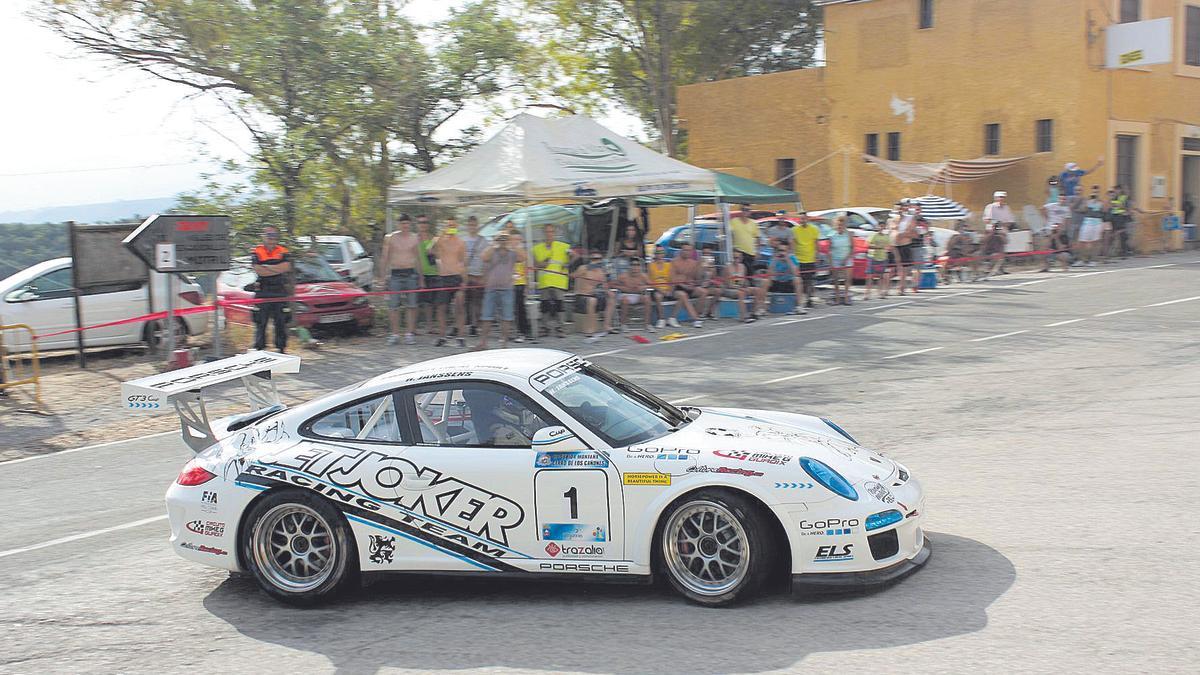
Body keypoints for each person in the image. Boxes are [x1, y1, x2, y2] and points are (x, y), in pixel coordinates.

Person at [378, 213, 422, 345]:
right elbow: (385, 258)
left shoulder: (415, 238)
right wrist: (382, 277)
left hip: (411, 273)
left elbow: (418, 258)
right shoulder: (390, 238)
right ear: (398, 224)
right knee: (393, 306)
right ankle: (395, 334)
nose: (405, 226)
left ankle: (409, 333)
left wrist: (421, 278)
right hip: (395, 274)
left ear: (410, 224)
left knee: (412, 305)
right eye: (403, 223)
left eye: (407, 223)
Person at [475, 232, 523, 350]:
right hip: (491, 289)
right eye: (501, 238)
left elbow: (523, 258)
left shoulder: (512, 254)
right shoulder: (492, 252)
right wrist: (494, 242)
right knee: (486, 316)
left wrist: (512, 243)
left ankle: (504, 345)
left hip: (507, 289)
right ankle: (483, 343)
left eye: (504, 238)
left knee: (506, 317)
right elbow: (484, 257)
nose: (503, 240)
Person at [250, 226, 291, 352]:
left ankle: (281, 348)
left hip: (279, 291)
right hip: (263, 290)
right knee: (260, 322)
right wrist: (275, 268)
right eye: (268, 235)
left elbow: (285, 268)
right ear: (263, 236)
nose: (271, 238)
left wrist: (267, 267)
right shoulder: (256, 251)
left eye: (274, 235)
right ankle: (260, 349)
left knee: (281, 322)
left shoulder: (283, 250)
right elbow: (259, 271)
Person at [430, 220, 467, 347]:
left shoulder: (461, 242)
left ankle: (461, 336)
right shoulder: (440, 240)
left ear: (457, 227)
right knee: (441, 308)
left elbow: (463, 262)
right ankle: (442, 336)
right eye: (449, 226)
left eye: (453, 226)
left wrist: (464, 280)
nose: (451, 228)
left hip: (457, 277)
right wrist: (441, 234)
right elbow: (429, 250)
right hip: (443, 277)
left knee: (459, 306)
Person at [533, 224, 571, 337]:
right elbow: (536, 264)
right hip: (545, 280)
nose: (549, 234)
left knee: (559, 304)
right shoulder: (537, 248)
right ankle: (545, 327)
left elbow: (575, 256)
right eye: (547, 232)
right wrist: (544, 262)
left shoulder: (563, 246)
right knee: (545, 305)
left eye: (551, 232)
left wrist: (568, 262)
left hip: (559, 280)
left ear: (555, 233)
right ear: (543, 233)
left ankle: (561, 328)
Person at [571, 250, 615, 340]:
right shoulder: (583, 268)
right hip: (582, 297)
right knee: (592, 300)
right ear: (590, 259)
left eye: (598, 259)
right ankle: (590, 329)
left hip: (596, 295)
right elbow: (573, 276)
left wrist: (608, 291)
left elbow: (605, 286)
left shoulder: (601, 271)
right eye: (594, 259)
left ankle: (607, 326)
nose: (596, 261)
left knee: (611, 297)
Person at [668, 242, 709, 327]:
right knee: (683, 295)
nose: (687, 252)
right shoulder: (674, 262)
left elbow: (697, 278)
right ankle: (695, 319)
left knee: (703, 292)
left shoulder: (693, 263)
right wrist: (683, 285)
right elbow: (672, 279)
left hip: (689, 286)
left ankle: (697, 314)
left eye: (689, 250)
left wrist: (700, 265)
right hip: (677, 288)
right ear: (681, 251)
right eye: (685, 250)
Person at [462, 216, 489, 336]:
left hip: (478, 274)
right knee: (464, 301)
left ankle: (474, 325)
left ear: (477, 226)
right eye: (470, 225)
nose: (472, 227)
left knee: (477, 301)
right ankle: (464, 325)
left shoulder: (483, 241)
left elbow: (487, 259)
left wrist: (484, 275)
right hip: (466, 274)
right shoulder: (463, 240)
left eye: (474, 225)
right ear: (467, 226)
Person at [614, 257, 656, 332]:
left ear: (640, 267)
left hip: (638, 295)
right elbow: (612, 285)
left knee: (647, 299)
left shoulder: (643, 276)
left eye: (637, 265)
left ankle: (647, 324)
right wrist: (624, 288)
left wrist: (643, 287)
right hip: (625, 295)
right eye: (633, 265)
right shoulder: (623, 276)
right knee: (625, 300)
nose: (635, 267)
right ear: (629, 266)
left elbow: (652, 285)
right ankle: (623, 324)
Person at [982, 191, 1016, 276]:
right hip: (992, 230)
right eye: (999, 197)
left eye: (1002, 197)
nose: (1001, 199)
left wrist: (1004, 224)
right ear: (995, 198)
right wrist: (995, 223)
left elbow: (1010, 220)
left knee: (1002, 250)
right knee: (991, 250)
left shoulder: (1006, 208)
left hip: (1002, 231)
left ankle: (1000, 268)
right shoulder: (990, 207)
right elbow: (987, 220)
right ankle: (989, 268)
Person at [506, 224, 530, 342]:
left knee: (519, 307)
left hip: (519, 283)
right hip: (507, 283)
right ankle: (510, 331)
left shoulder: (520, 250)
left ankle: (522, 332)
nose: (515, 241)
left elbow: (523, 259)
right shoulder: (505, 249)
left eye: (518, 239)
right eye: (513, 239)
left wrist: (528, 285)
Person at [791, 214, 820, 308]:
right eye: (800, 219)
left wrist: (816, 256)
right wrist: (794, 257)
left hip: (810, 259)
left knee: (810, 281)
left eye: (804, 219)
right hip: (799, 259)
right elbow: (793, 244)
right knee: (800, 281)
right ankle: (799, 300)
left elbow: (816, 244)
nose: (802, 220)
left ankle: (809, 299)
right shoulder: (794, 230)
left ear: (807, 219)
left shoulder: (814, 229)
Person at [415, 216, 439, 333]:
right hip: (418, 273)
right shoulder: (414, 239)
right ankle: (413, 329)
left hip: (433, 272)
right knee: (416, 302)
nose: (422, 224)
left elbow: (439, 254)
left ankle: (430, 327)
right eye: (420, 222)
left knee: (430, 302)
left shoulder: (433, 238)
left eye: (425, 222)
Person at [767, 244, 803, 314]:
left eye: (783, 251)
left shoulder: (792, 258)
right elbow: (769, 274)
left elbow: (796, 273)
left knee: (797, 280)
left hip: (788, 282)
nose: (781, 253)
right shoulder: (774, 259)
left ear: (788, 251)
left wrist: (788, 260)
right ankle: (761, 308)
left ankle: (799, 306)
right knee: (764, 281)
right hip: (777, 281)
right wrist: (775, 261)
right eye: (780, 250)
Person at [1040, 194, 1072, 272]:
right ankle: (1045, 267)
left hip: (1060, 230)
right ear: (1058, 199)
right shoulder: (1052, 205)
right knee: (1044, 248)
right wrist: (1047, 219)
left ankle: (1064, 267)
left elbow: (1067, 220)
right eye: (1061, 199)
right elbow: (1042, 208)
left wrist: (1064, 228)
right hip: (1049, 228)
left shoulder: (1067, 209)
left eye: (1064, 199)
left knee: (1061, 250)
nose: (1062, 200)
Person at [1075, 186, 1105, 267]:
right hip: (1087, 222)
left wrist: (1099, 201)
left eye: (1097, 192)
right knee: (1082, 242)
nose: (1095, 194)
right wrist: (1087, 202)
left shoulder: (1101, 202)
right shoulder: (1087, 201)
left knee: (1095, 243)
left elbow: (1105, 210)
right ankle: (1081, 259)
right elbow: (1081, 209)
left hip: (1097, 223)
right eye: (1094, 192)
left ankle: (1094, 260)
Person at [827, 215, 853, 305]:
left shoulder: (849, 234)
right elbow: (829, 250)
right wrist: (830, 262)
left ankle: (846, 297)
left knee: (847, 279)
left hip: (847, 258)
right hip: (835, 258)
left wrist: (846, 259)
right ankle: (837, 298)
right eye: (838, 225)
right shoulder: (831, 235)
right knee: (836, 279)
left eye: (841, 225)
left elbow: (852, 248)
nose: (840, 227)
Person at [730, 205, 760, 275]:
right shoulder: (734, 221)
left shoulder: (753, 223)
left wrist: (758, 251)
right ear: (741, 210)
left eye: (748, 210)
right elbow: (729, 235)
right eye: (744, 209)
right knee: (738, 273)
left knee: (749, 273)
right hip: (738, 252)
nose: (745, 211)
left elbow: (757, 237)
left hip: (750, 253)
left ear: (750, 212)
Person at [646, 245, 672, 328]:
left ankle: (672, 317)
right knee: (658, 296)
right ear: (655, 254)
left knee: (682, 295)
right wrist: (661, 290)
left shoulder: (669, 265)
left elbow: (671, 280)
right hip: (656, 288)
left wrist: (669, 289)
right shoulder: (650, 265)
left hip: (667, 288)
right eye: (658, 253)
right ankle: (661, 318)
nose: (660, 255)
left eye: (661, 252)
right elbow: (650, 281)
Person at [866, 225, 894, 299]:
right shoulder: (873, 235)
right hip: (873, 256)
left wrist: (888, 249)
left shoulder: (886, 237)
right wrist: (879, 247)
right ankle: (867, 294)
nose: (881, 228)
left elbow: (889, 246)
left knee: (881, 276)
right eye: (880, 227)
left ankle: (880, 293)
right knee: (870, 276)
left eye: (883, 227)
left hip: (883, 257)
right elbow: (867, 245)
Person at [1109, 185, 1134, 258]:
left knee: (1123, 235)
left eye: (1117, 190)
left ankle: (1124, 251)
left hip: (1122, 217)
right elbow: (1112, 206)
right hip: (1114, 217)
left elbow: (1126, 207)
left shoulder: (1124, 197)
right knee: (1116, 234)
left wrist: (1120, 206)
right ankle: (1117, 250)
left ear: (1120, 190)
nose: (1116, 192)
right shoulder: (1114, 197)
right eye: (1115, 190)